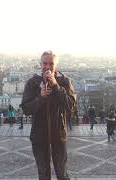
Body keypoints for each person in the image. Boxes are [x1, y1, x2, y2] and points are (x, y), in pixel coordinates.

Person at [21, 50, 76, 180]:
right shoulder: (32, 83)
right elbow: (26, 109)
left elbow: (71, 105)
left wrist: (56, 86)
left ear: (56, 65)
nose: (47, 67)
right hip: (39, 136)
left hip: (58, 136)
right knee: (43, 174)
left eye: (51, 63)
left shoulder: (64, 82)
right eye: (45, 63)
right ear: (40, 64)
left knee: (62, 173)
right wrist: (40, 98)